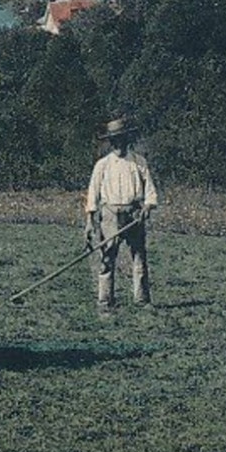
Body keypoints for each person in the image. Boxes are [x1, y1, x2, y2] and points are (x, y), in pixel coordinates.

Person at [84, 118, 160, 312]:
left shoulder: (139, 162)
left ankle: (142, 300)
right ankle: (105, 301)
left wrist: (146, 208)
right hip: (110, 214)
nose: (118, 143)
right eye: (114, 140)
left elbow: (150, 190)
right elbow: (92, 194)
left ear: (127, 139)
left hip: (134, 213)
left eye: (121, 138)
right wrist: (90, 222)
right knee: (107, 257)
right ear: (110, 142)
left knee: (139, 257)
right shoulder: (103, 165)